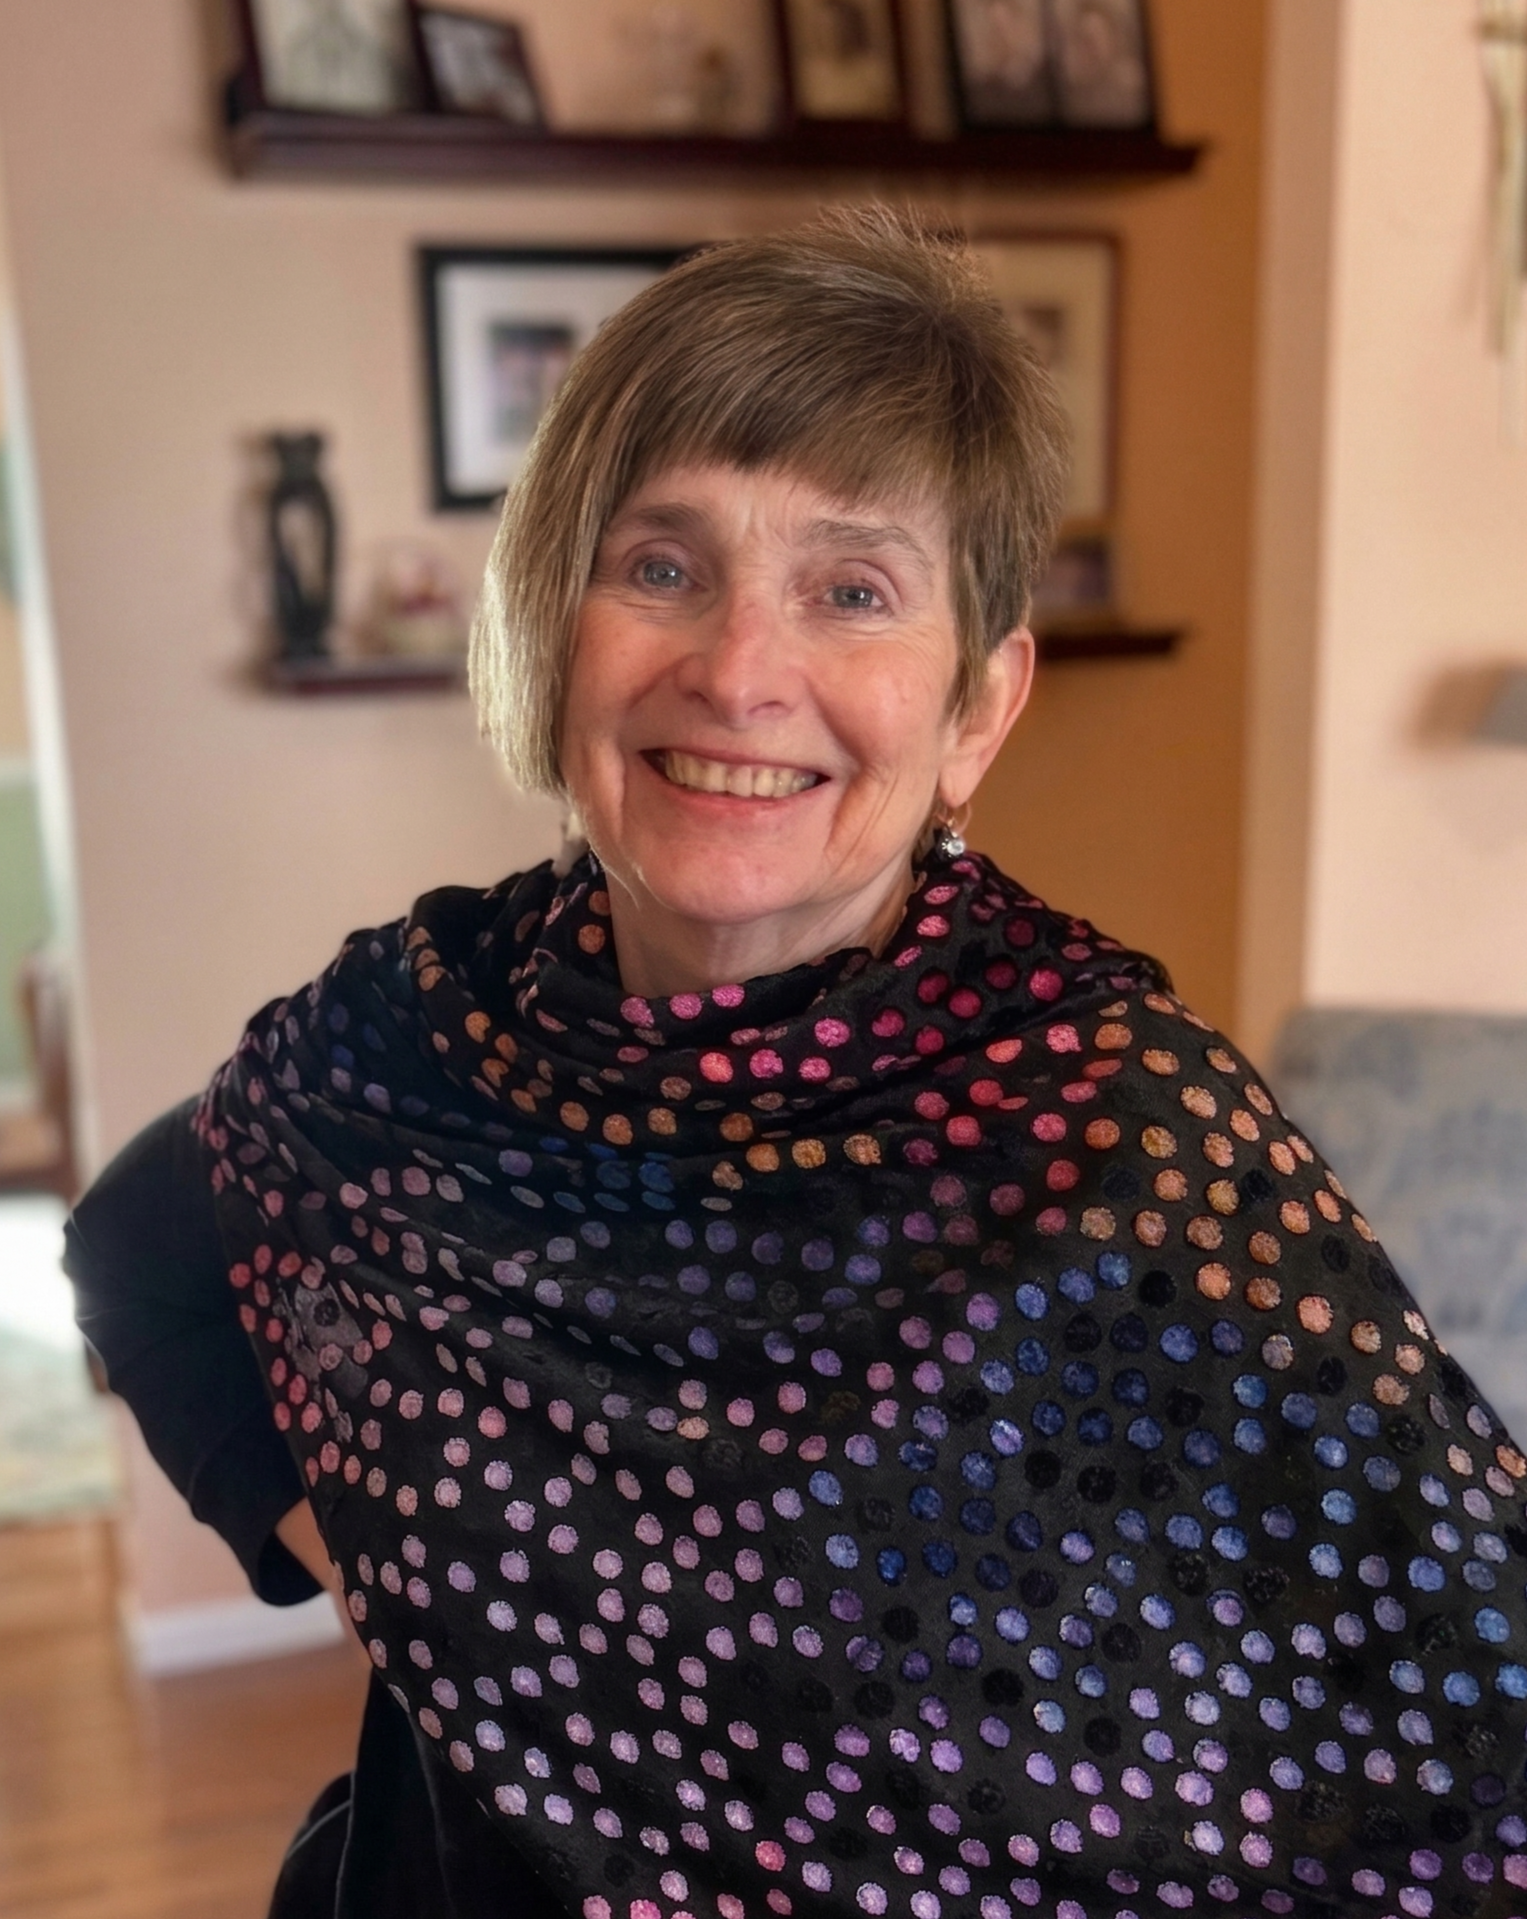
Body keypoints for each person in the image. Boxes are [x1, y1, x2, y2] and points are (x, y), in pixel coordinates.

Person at [67, 210, 1527, 1919]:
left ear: (976, 707)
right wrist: (384, 1574)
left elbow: (1470, 1734)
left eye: (853, 590)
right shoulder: (413, 1034)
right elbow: (136, 1251)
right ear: (555, 629)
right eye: (663, 566)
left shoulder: (1122, 1141)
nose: (741, 670)